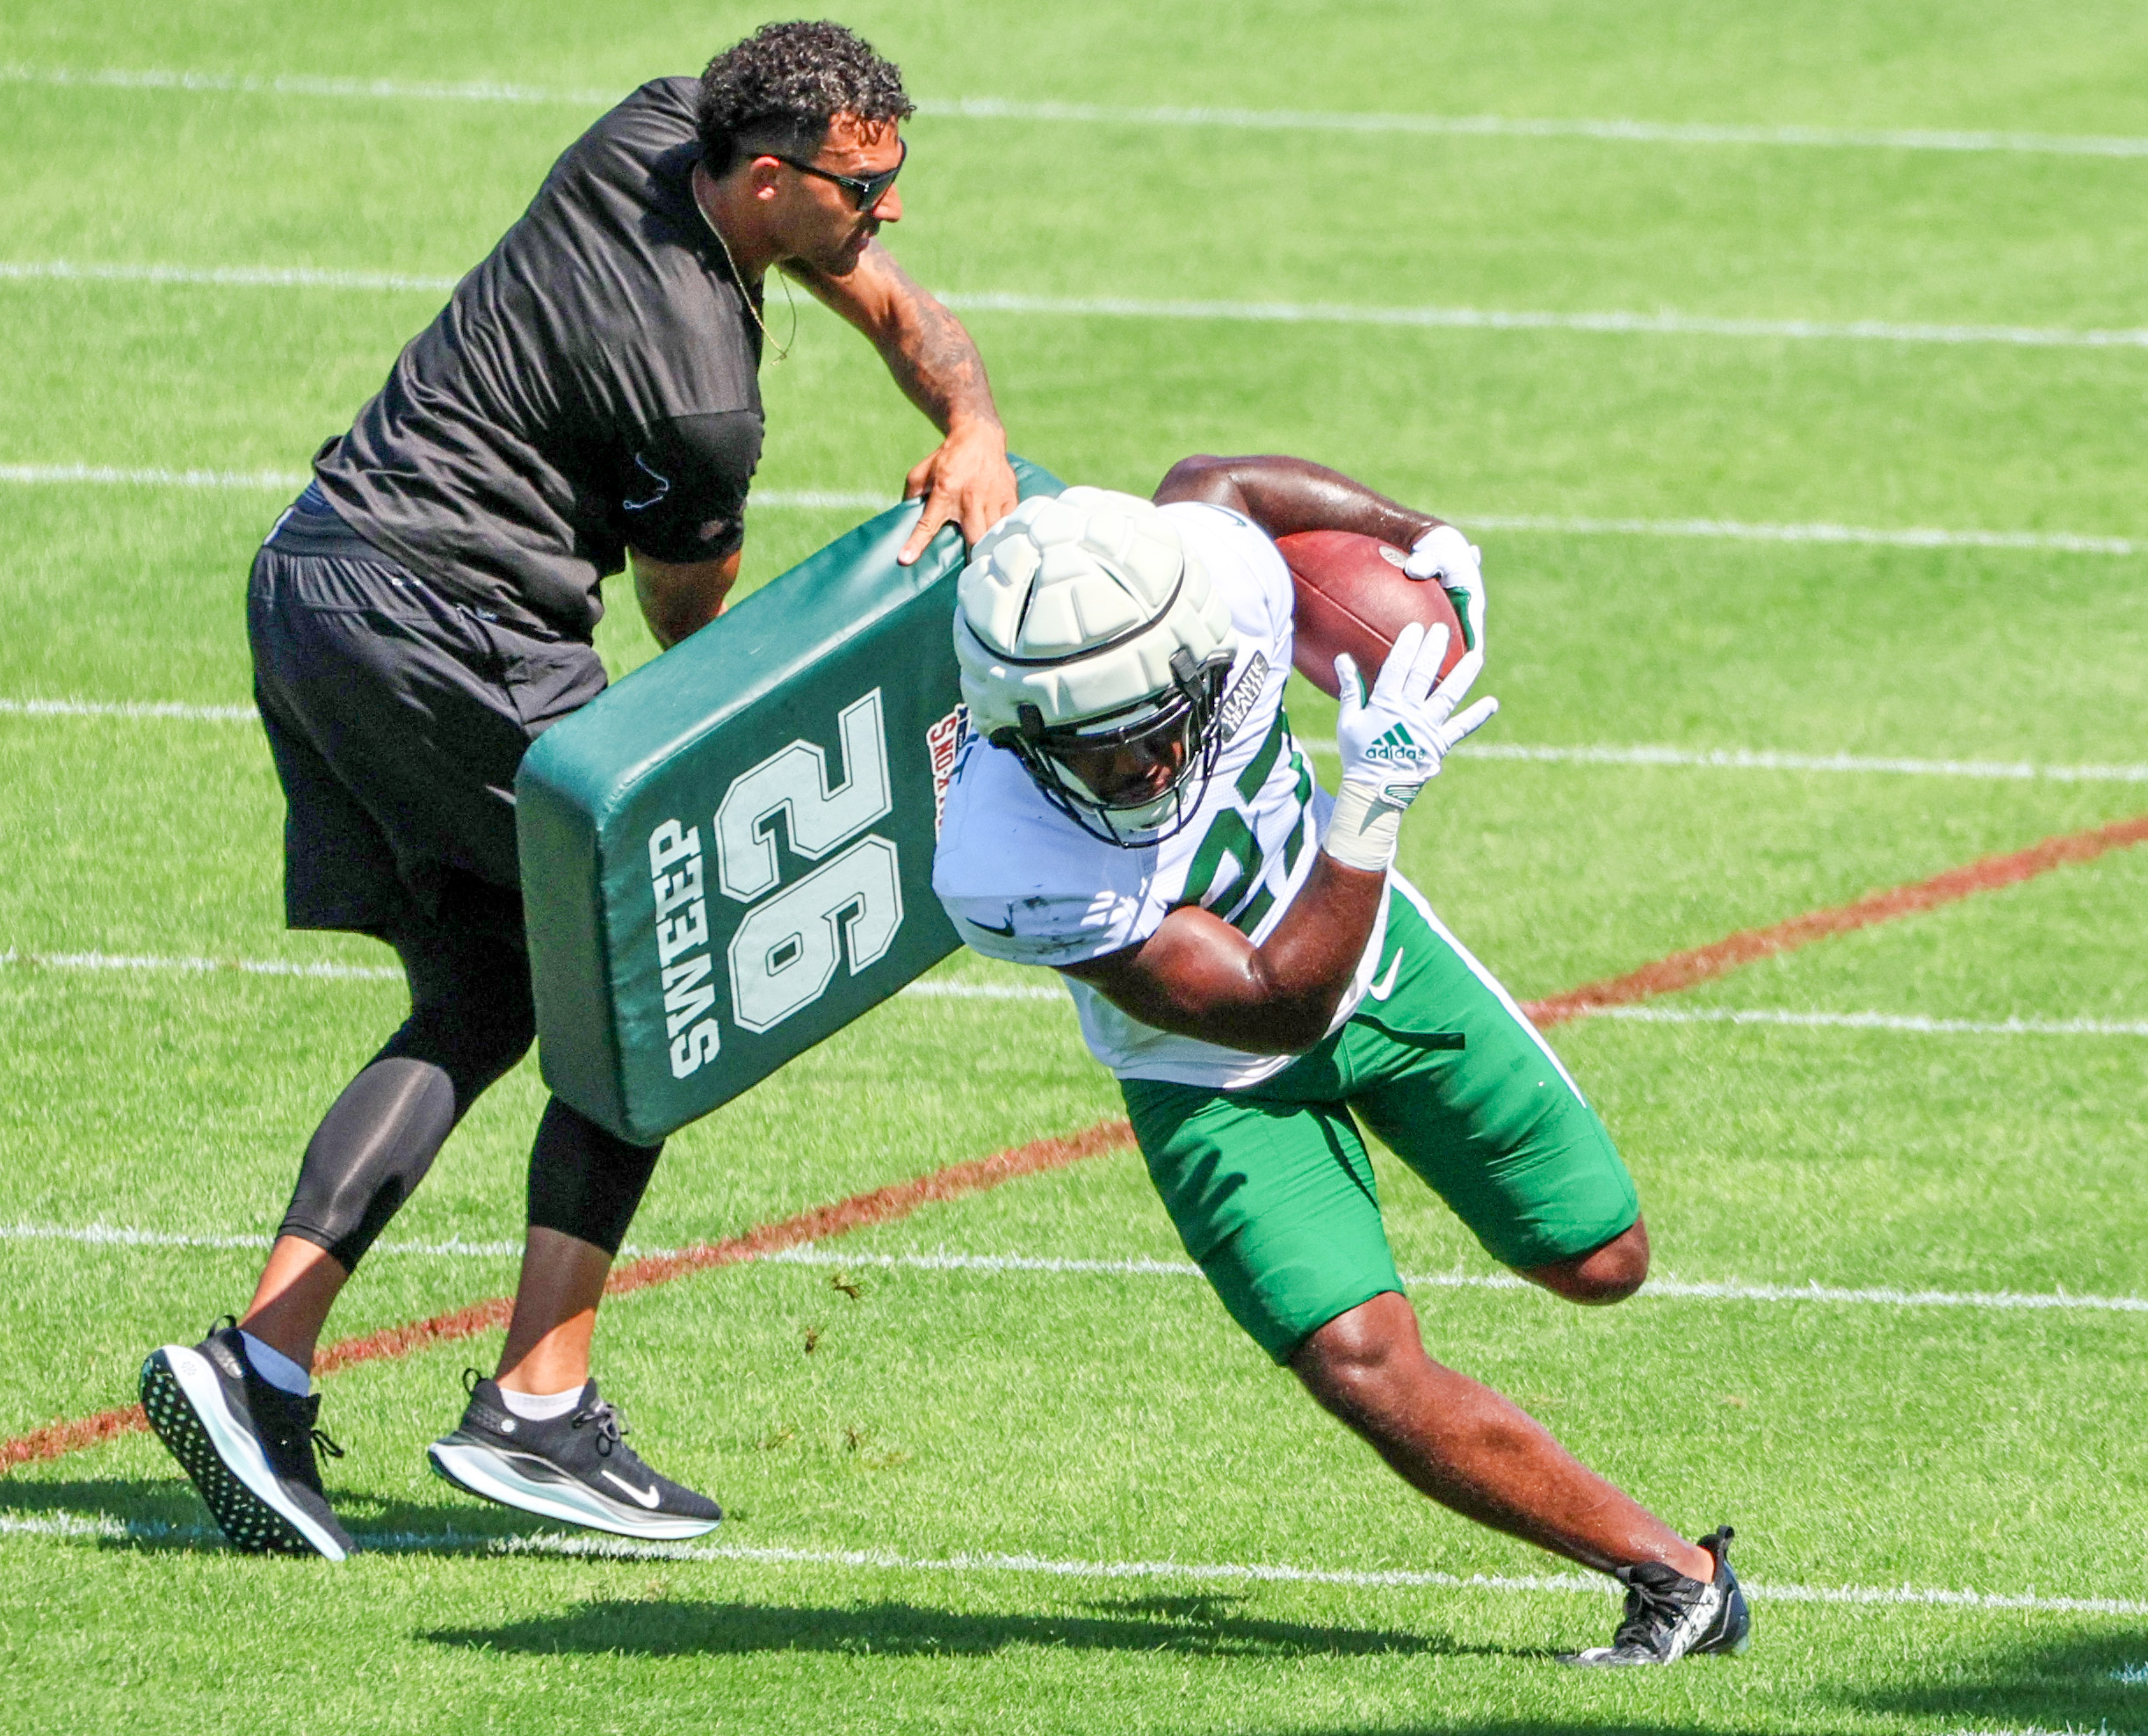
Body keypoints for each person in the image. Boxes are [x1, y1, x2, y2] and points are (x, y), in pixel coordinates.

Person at [138, 20, 1017, 1562]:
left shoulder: (654, 125)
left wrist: (973, 423)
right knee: (648, 972)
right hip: (442, 623)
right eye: (863, 188)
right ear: (764, 178)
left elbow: (880, 298)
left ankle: (259, 1364)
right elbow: (691, 635)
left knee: (489, 983)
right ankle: (539, 1408)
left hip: (318, 586)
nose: (888, 217)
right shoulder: (695, 393)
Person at [929, 459, 1750, 1667]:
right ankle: (1675, 1579)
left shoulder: (1222, 580)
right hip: (1207, 1066)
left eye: (1160, 725)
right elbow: (1271, 1008)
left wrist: (1413, 530)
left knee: (1600, 1262)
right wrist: (1366, 805)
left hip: (1386, 973)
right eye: (1100, 752)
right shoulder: (1000, 862)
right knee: (1358, 1361)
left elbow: (1219, 483)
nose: (1144, 768)